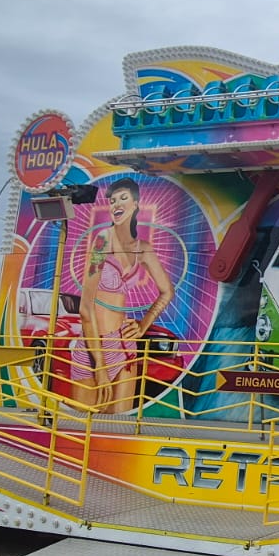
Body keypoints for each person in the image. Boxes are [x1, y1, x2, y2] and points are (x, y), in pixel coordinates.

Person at [72, 177, 174, 413]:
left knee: (119, 426)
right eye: (112, 200)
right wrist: (100, 366)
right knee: (84, 425)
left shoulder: (143, 249)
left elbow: (167, 291)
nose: (116, 204)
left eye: (123, 198)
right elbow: (86, 308)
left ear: (135, 204)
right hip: (93, 347)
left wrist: (143, 324)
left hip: (124, 347)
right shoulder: (102, 242)